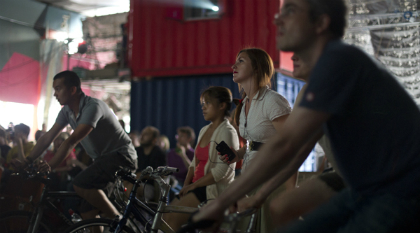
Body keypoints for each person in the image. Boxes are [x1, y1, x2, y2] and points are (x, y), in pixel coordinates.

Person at [191, 0, 420, 232]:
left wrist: (221, 202)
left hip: (401, 188)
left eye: (290, 11)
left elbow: (286, 145)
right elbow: (300, 148)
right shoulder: (318, 81)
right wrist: (259, 196)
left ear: (321, 23)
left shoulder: (338, 63)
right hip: (365, 184)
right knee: (283, 210)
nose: (277, 19)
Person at [12, 71, 137, 222]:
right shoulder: (67, 112)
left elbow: (72, 141)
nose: (55, 94)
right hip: (103, 161)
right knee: (87, 212)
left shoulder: (93, 107)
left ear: (72, 90)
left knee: (79, 184)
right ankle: (117, 221)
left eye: (58, 89)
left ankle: (121, 222)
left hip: (121, 157)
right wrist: (28, 160)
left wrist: (50, 166)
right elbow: (48, 137)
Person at [220, 48, 296, 232]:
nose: (234, 65)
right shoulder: (245, 103)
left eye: (241, 61)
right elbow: (253, 145)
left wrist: (291, 193)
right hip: (251, 179)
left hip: (273, 182)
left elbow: (292, 146)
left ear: (256, 69)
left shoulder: (272, 101)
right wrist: (237, 154)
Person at [269, 54, 345, 227]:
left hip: (378, 181)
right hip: (345, 177)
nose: (293, 56)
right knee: (282, 206)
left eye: (302, 50)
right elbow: (295, 145)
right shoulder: (306, 93)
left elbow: (289, 145)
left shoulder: (332, 89)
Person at [163, 86, 239, 231]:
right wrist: (186, 185)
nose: (203, 108)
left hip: (212, 189)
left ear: (222, 106)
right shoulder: (204, 130)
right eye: (202, 104)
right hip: (197, 186)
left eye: (208, 103)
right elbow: (194, 163)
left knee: (172, 218)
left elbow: (221, 171)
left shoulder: (226, 132)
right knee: (166, 216)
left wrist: (193, 186)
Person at [135, 126, 167, 201]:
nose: (142, 136)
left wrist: (142, 175)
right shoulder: (136, 151)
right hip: (135, 182)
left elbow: (161, 174)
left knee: (133, 187)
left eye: (146, 134)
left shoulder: (159, 153)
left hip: (150, 186)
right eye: (142, 133)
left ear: (154, 140)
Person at [166, 126, 195, 199]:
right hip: (170, 180)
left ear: (189, 139)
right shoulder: (171, 153)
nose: (178, 138)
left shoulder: (194, 154)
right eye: (178, 135)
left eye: (182, 136)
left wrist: (183, 155)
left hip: (184, 184)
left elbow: (192, 171)